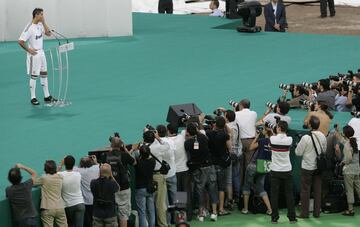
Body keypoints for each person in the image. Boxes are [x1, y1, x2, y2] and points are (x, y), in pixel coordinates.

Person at [18, 8, 56, 105]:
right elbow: (20, 41)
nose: (43, 16)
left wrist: (44, 22)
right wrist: (29, 49)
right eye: (41, 15)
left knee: (44, 74)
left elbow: (48, 33)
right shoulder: (29, 27)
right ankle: (33, 97)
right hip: (34, 55)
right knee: (34, 75)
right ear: (36, 15)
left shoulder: (40, 25)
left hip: (41, 53)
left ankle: (47, 96)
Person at [185, 122, 219, 222]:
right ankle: (214, 213)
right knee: (212, 189)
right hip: (209, 167)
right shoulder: (203, 138)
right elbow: (200, 135)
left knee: (200, 191)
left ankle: (201, 214)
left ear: (187, 132)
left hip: (197, 170)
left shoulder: (187, 143)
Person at [295, 116, 327, 218]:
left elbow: (298, 153)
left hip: (307, 167)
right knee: (318, 190)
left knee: (305, 190)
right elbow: (324, 151)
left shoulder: (306, 137)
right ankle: (317, 212)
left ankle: (304, 213)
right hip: (319, 167)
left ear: (309, 125)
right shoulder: (322, 136)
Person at [104, 137, 136, 227]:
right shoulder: (124, 155)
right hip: (124, 188)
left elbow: (102, 168)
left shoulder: (105, 156)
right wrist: (126, 150)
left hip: (110, 188)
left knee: (111, 213)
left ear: (111, 145)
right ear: (121, 145)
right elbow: (134, 162)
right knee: (123, 215)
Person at [269, 121, 296, 224]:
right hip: (286, 170)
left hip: (275, 171)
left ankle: (274, 218)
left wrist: (273, 131)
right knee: (289, 195)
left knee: (274, 195)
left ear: (279, 128)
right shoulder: (290, 139)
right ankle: (292, 218)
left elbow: (273, 140)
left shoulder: (272, 138)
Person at [241, 126, 272, 215]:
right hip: (265, 166)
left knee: (246, 186)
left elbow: (251, 147)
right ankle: (269, 209)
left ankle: (246, 209)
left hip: (254, 165)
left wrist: (256, 137)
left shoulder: (262, 141)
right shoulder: (273, 142)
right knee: (261, 188)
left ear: (265, 132)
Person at [206, 116, 232, 216]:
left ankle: (209, 208)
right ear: (224, 125)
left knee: (211, 186)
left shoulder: (209, 134)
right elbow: (230, 148)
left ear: (214, 124)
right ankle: (221, 209)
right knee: (221, 187)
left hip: (212, 164)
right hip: (222, 164)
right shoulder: (225, 135)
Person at [143, 130, 169, 227]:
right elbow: (167, 146)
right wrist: (158, 138)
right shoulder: (158, 147)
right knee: (161, 202)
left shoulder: (143, 148)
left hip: (148, 177)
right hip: (159, 176)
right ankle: (163, 224)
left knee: (150, 203)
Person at [167, 124, 193, 220]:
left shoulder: (168, 142)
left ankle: (180, 217)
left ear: (168, 131)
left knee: (179, 194)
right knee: (186, 193)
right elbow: (187, 127)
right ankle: (188, 216)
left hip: (175, 172)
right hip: (185, 169)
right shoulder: (182, 136)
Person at [334, 125, 360, 216]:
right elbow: (342, 139)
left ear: (345, 134)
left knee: (350, 190)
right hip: (357, 169)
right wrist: (337, 130)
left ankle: (350, 209)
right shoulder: (353, 142)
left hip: (349, 170)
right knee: (359, 188)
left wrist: (343, 162)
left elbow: (348, 158)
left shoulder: (347, 145)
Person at [34, 160, 68, 227]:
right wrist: (60, 165)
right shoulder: (60, 177)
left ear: (45, 169)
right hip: (60, 207)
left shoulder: (44, 178)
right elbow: (57, 172)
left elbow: (33, 183)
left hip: (47, 208)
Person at [156, 125, 177, 224]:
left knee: (165, 202)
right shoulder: (172, 142)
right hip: (173, 172)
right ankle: (178, 219)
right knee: (177, 198)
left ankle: (168, 222)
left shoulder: (157, 144)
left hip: (163, 175)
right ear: (166, 132)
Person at [234, 99, 257, 187]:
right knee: (249, 166)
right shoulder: (254, 113)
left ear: (241, 105)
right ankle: (248, 188)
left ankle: (239, 188)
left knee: (239, 166)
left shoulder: (236, 114)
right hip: (251, 142)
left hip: (240, 142)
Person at [57, 156, 85, 227]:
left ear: (65, 164)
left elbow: (54, 174)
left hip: (68, 205)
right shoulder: (78, 174)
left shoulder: (60, 175)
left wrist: (61, 163)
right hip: (80, 203)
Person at [75, 155, 100, 227]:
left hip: (86, 202)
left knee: (88, 222)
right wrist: (95, 161)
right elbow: (100, 166)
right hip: (96, 200)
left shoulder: (80, 171)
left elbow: (72, 168)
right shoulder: (96, 168)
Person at [135, 145, 157, 227]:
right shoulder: (153, 161)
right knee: (151, 211)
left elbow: (133, 156)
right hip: (150, 188)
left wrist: (135, 149)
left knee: (142, 212)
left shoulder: (138, 162)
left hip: (140, 189)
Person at [224, 110, 242, 208]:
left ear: (227, 117)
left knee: (229, 179)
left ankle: (230, 200)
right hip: (238, 154)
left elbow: (228, 142)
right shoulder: (237, 125)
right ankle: (238, 196)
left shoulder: (228, 128)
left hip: (231, 155)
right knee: (236, 176)